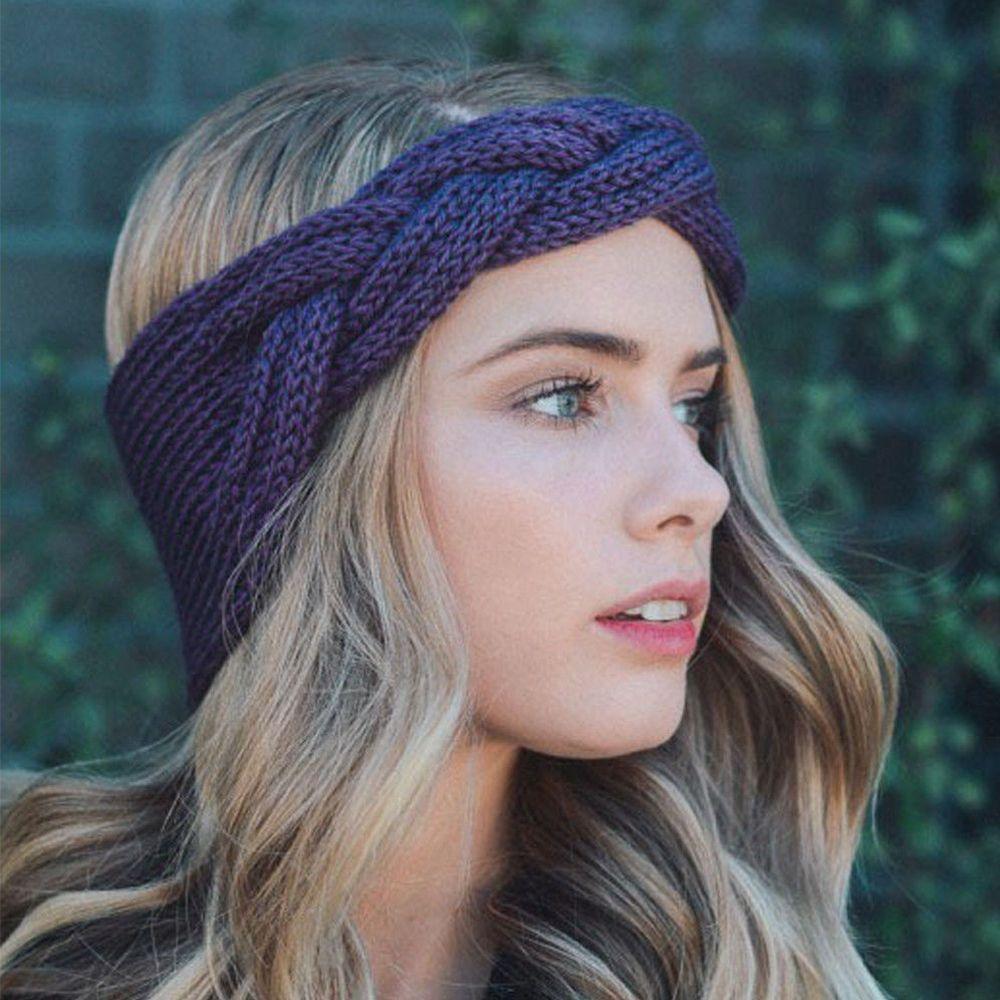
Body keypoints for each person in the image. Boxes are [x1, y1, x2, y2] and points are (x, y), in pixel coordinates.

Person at [0, 55, 899, 999]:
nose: (700, 489)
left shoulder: (757, 975)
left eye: (692, 406)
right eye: (564, 398)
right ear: (297, 471)